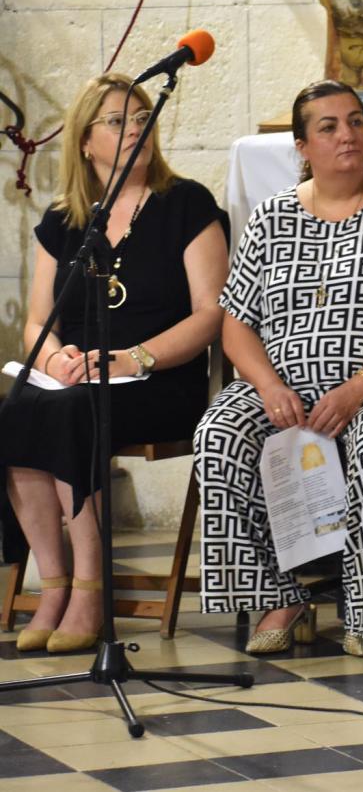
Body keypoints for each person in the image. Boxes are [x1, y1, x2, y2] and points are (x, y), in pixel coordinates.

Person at [196, 80, 363, 657]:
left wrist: (360, 385)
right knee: (218, 438)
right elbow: (236, 323)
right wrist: (267, 386)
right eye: (330, 126)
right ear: (302, 146)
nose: (348, 135)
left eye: (356, 122)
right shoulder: (270, 217)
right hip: (283, 382)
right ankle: (281, 596)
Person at [2, 72, 229, 653]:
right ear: (84, 140)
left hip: (159, 379)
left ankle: (89, 587)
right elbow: (38, 322)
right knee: (19, 410)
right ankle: (52, 585)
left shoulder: (187, 204)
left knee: (75, 412)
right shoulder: (64, 218)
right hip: (79, 377)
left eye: (141, 117)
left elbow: (211, 315)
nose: (135, 129)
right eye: (117, 121)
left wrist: (134, 357)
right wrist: (55, 360)